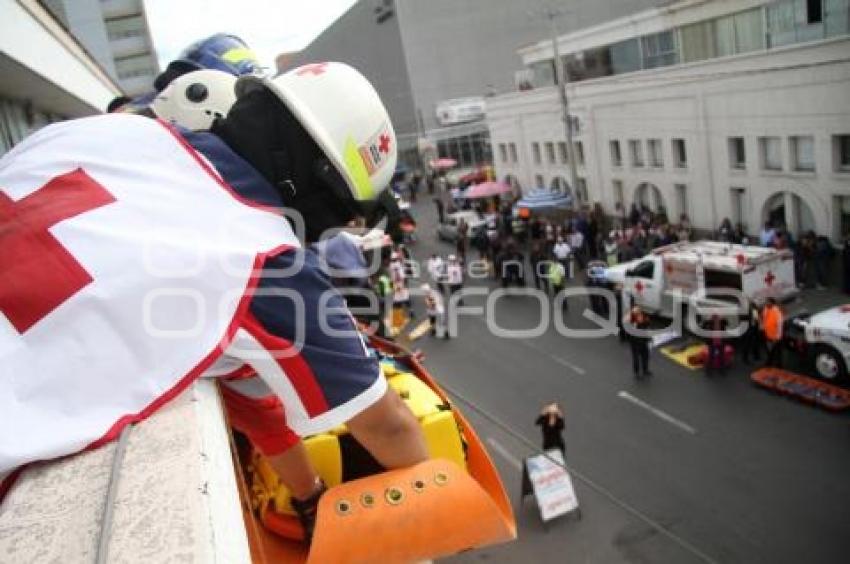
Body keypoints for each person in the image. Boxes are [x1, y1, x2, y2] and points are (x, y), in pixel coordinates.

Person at [0, 62, 429, 540]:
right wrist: (435, 512)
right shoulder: (267, 259)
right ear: (320, 186)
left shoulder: (98, 132)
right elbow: (389, 427)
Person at [626, 306, 652, 378]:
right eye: (637, 312)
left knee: (646, 356)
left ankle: (645, 369)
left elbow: (647, 325)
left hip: (643, 340)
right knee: (636, 357)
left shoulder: (643, 316)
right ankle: (637, 373)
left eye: (639, 311)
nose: (639, 313)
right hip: (635, 342)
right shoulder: (631, 320)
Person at [762, 298, 784, 368]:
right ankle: (769, 362)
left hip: (775, 336)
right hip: (768, 335)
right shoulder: (766, 309)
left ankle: (779, 365)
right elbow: (764, 319)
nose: (766, 303)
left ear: (772, 303)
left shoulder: (777, 312)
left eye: (768, 302)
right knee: (770, 350)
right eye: (766, 302)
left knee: (777, 351)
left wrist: (777, 337)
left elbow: (779, 325)